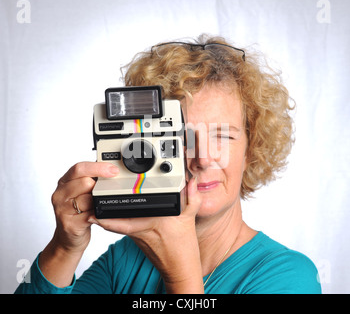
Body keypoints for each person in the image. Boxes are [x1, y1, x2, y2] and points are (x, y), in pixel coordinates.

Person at [15, 34, 321, 294]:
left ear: (251, 148)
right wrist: (65, 248)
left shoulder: (289, 276)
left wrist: (181, 274)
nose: (203, 158)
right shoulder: (125, 258)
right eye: (182, 138)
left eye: (223, 137)